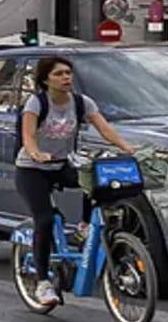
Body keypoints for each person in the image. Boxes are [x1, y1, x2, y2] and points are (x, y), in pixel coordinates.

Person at [17, 55, 134, 308]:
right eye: (58, 74)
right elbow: (27, 135)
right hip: (32, 168)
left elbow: (105, 128)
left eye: (68, 73)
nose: (66, 78)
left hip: (61, 164)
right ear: (46, 79)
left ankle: (83, 226)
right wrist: (36, 152)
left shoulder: (82, 103)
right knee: (45, 220)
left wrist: (127, 147)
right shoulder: (36, 103)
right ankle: (42, 282)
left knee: (94, 181)